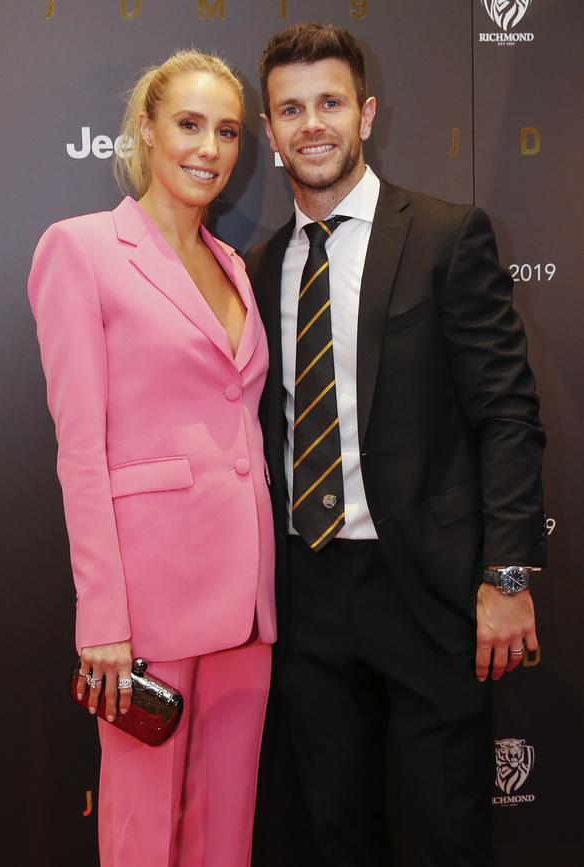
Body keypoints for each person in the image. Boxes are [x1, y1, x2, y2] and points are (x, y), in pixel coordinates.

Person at [246, 22, 546, 867]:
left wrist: (508, 574)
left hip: (427, 585)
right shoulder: (259, 262)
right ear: (270, 133)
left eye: (331, 102)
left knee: (446, 826)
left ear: (366, 113)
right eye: (292, 109)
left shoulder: (449, 234)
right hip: (307, 588)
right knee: (335, 826)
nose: (313, 124)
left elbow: (509, 415)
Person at [28, 50, 276, 867]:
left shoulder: (233, 265)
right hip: (146, 606)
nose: (210, 148)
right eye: (190, 124)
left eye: (228, 131)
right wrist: (101, 616)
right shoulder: (82, 249)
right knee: (140, 832)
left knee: (226, 827)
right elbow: (80, 450)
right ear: (146, 130)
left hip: (244, 602)